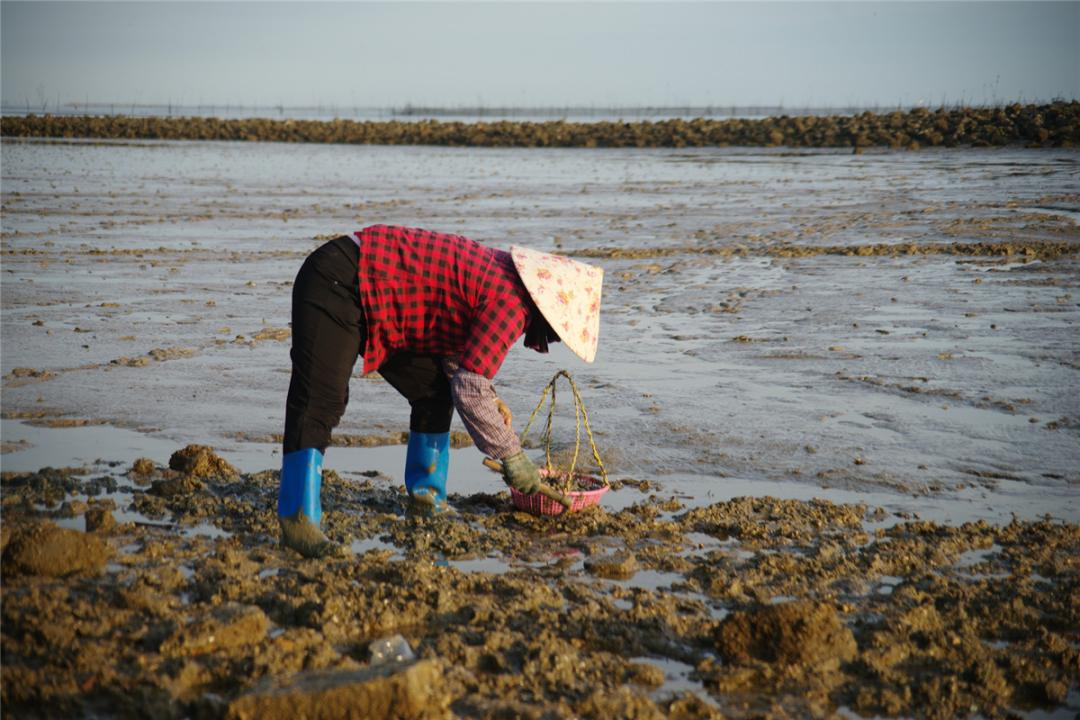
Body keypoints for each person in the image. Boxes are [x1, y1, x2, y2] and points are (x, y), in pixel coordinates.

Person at [277, 224, 604, 557]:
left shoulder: (505, 276)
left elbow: (456, 358)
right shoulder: (510, 303)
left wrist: (491, 398)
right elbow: (470, 387)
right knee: (321, 400)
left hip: (384, 297)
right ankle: (297, 518)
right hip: (341, 278)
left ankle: (426, 499)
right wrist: (511, 455)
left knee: (435, 392)